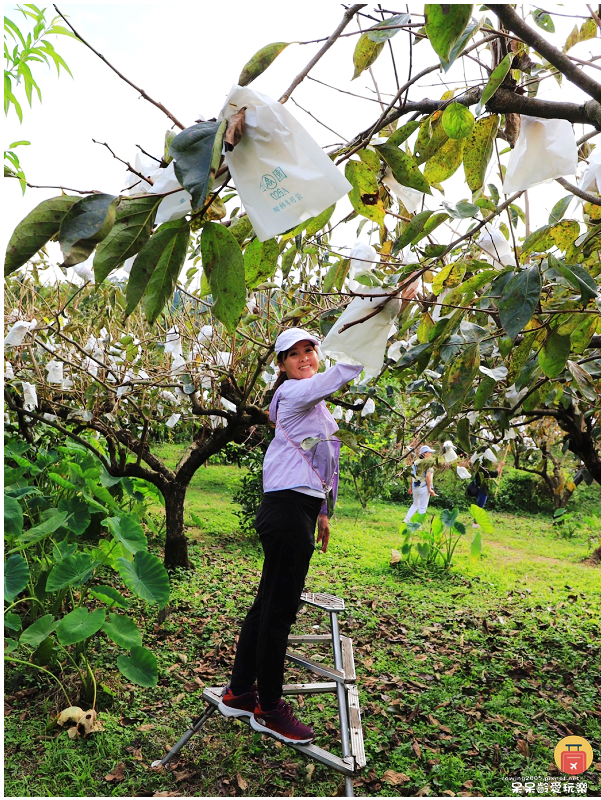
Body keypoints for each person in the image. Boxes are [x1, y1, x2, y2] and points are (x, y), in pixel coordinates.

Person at [218, 328, 363, 745]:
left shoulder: (307, 403)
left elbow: (323, 458)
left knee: (267, 605)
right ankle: (268, 708)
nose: (305, 358)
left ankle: (240, 692)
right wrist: (376, 321)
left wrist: (321, 512)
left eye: (310, 350)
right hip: (284, 510)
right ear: (281, 365)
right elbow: (340, 374)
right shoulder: (296, 393)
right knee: (279, 612)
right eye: (294, 354)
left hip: (295, 507)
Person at [404, 445, 437, 524]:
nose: (431, 454)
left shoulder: (415, 463)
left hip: (415, 487)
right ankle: (418, 524)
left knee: (415, 504)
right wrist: (429, 489)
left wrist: (411, 487)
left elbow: (412, 475)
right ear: (425, 454)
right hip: (424, 487)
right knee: (422, 507)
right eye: (429, 453)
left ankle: (406, 519)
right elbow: (428, 477)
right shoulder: (428, 463)